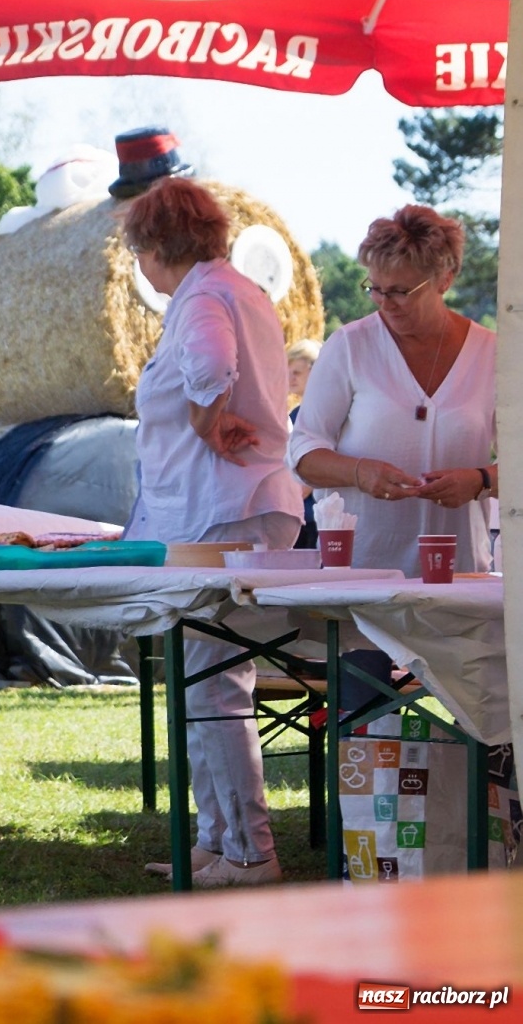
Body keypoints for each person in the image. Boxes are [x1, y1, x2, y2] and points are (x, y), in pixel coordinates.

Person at [122, 177, 303, 889]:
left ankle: (251, 852)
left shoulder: (199, 297)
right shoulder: (236, 288)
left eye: (138, 250)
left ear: (156, 246)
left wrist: (206, 415)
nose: (138, 266)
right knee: (208, 681)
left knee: (214, 683)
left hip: (219, 510)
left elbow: (210, 363)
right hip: (234, 505)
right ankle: (219, 838)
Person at [288, 206, 495, 704]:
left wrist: (480, 480)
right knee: (361, 728)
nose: (385, 303)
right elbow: (302, 450)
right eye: (375, 288)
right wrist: (360, 473)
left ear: (446, 277)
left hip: (458, 576)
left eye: (401, 290)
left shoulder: (493, 353)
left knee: (470, 728)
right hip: (365, 576)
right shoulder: (350, 346)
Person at [287, 339, 323, 549]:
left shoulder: (318, 414)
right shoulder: (295, 413)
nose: (290, 378)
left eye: (297, 372)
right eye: (289, 371)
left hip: (311, 517)